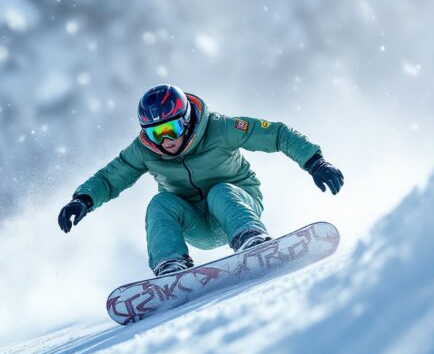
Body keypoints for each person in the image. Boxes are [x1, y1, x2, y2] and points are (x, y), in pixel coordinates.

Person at [58, 84, 344, 276]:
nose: (167, 140)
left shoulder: (221, 128)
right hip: (196, 222)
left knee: (220, 191)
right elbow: (110, 178)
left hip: (237, 206)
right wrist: (82, 200)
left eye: (172, 127)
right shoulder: (143, 150)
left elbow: (277, 134)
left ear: (187, 119)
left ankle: (251, 240)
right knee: (160, 203)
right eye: (157, 133)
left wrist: (315, 161)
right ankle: (170, 265)